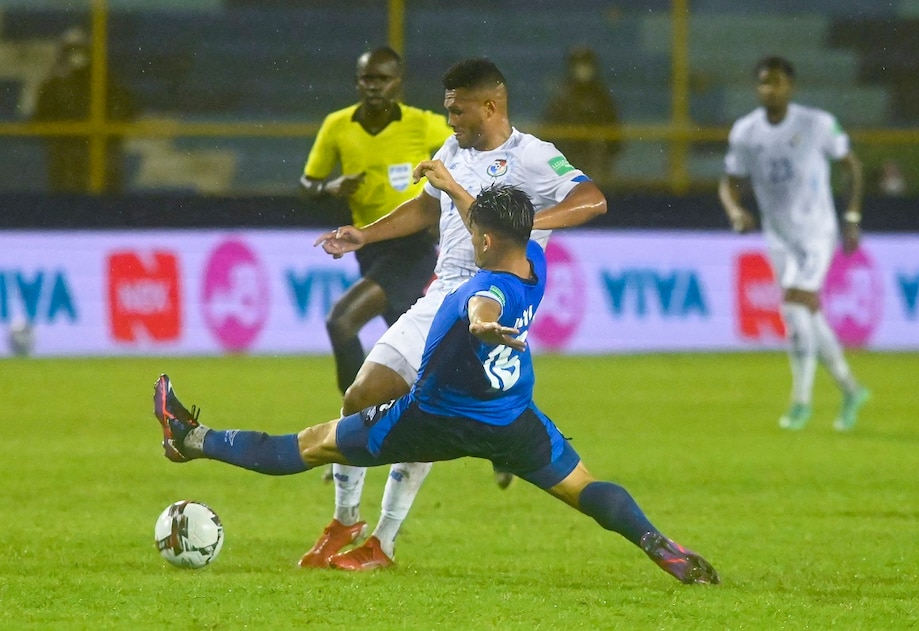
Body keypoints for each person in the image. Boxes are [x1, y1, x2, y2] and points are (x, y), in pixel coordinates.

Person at [150, 183, 720, 586]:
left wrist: (481, 324)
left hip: (433, 420)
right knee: (586, 489)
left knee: (310, 443)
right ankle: (658, 545)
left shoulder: (488, 286)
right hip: (512, 422)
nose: (470, 236)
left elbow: (481, 302)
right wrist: (451, 187)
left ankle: (192, 439)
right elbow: (492, 244)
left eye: (475, 231)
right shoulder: (535, 265)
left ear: (487, 241)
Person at [305, 57, 608, 571]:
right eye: (448, 111)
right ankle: (345, 518)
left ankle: (384, 541)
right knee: (360, 395)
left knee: (429, 416)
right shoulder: (454, 150)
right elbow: (427, 208)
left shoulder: (534, 157)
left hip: (489, 301)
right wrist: (367, 233)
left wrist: (527, 226)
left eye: (459, 111)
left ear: (490, 106)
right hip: (439, 296)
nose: (451, 121)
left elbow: (593, 199)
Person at [718, 55, 871, 432]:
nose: (770, 89)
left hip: (817, 232)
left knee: (794, 305)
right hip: (779, 236)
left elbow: (851, 165)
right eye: (764, 83)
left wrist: (852, 217)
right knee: (807, 314)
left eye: (777, 82)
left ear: (791, 86)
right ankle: (850, 388)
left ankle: (800, 402)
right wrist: (735, 210)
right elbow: (729, 180)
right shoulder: (746, 131)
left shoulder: (816, 124)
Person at [299, 46, 450, 399]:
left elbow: (467, 155)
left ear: (398, 82)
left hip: (412, 247)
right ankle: (441, 419)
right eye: (367, 78)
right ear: (357, 81)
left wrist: (444, 206)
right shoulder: (337, 126)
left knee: (341, 322)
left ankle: (355, 418)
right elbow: (307, 185)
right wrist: (328, 187)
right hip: (368, 246)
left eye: (383, 78)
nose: (374, 85)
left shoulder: (423, 124)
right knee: (413, 359)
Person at [32, 27, 137, 194]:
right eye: (70, 49)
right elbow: (40, 118)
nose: (76, 55)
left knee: (104, 190)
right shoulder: (52, 86)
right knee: (67, 191)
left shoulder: (106, 82)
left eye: (80, 49)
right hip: (67, 153)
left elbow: (126, 109)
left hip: (101, 150)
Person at [540, 46, 621, 184]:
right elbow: (548, 129)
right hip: (567, 155)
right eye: (578, 63)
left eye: (586, 63)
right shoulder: (562, 95)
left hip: (595, 158)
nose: (582, 68)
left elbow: (614, 129)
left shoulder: (601, 95)